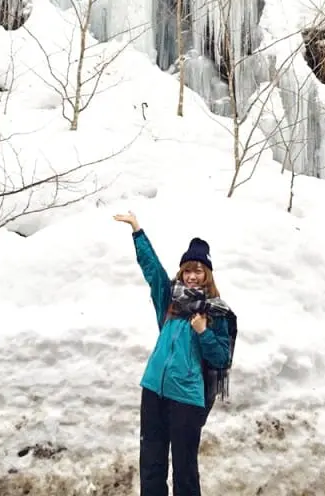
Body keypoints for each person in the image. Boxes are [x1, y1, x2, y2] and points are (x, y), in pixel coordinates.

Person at [114, 211, 235, 496]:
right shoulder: (168, 300)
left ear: (207, 275)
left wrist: (204, 332)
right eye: (187, 270)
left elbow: (221, 358)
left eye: (198, 270)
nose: (192, 276)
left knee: (185, 471)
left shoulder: (218, 311)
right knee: (152, 465)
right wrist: (137, 231)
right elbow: (152, 269)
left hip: (187, 397)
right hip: (154, 389)